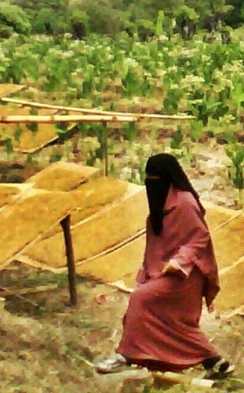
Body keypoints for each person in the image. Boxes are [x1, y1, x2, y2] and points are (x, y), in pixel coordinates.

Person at [95, 153, 234, 379]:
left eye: (155, 177)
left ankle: (126, 356)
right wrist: (146, 274)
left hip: (187, 275)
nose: (152, 182)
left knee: (141, 300)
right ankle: (216, 362)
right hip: (164, 272)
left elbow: (200, 238)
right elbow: (155, 246)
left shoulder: (185, 203)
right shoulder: (161, 203)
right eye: (148, 177)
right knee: (175, 324)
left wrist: (179, 261)